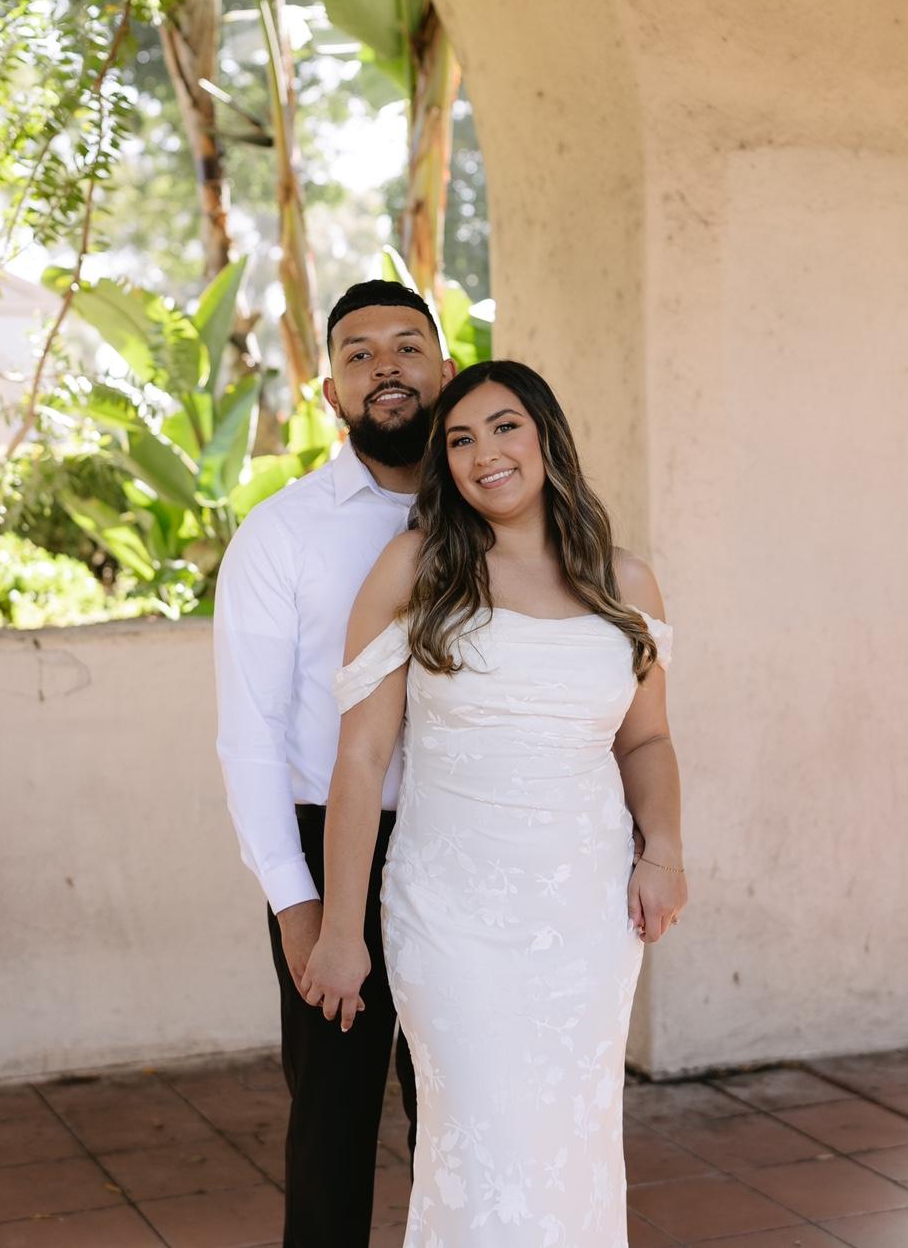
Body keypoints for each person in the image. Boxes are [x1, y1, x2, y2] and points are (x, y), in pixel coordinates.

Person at [301, 359, 688, 1246]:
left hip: (586, 919)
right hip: (453, 919)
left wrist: (663, 851)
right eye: (460, 440)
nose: (486, 455)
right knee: (482, 1146)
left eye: (505, 426)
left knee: (573, 1143)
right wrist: (341, 931)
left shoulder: (626, 584)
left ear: (547, 436)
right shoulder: (417, 566)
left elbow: (647, 741)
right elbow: (360, 758)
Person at [213, 280, 457, 1247]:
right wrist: (296, 903)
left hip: (469, 842)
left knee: (463, 1115)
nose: (386, 367)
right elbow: (250, 734)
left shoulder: (502, 514)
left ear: (445, 369)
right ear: (330, 393)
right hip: (333, 851)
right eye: (359, 354)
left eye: (407, 346)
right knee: (333, 1125)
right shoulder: (283, 533)